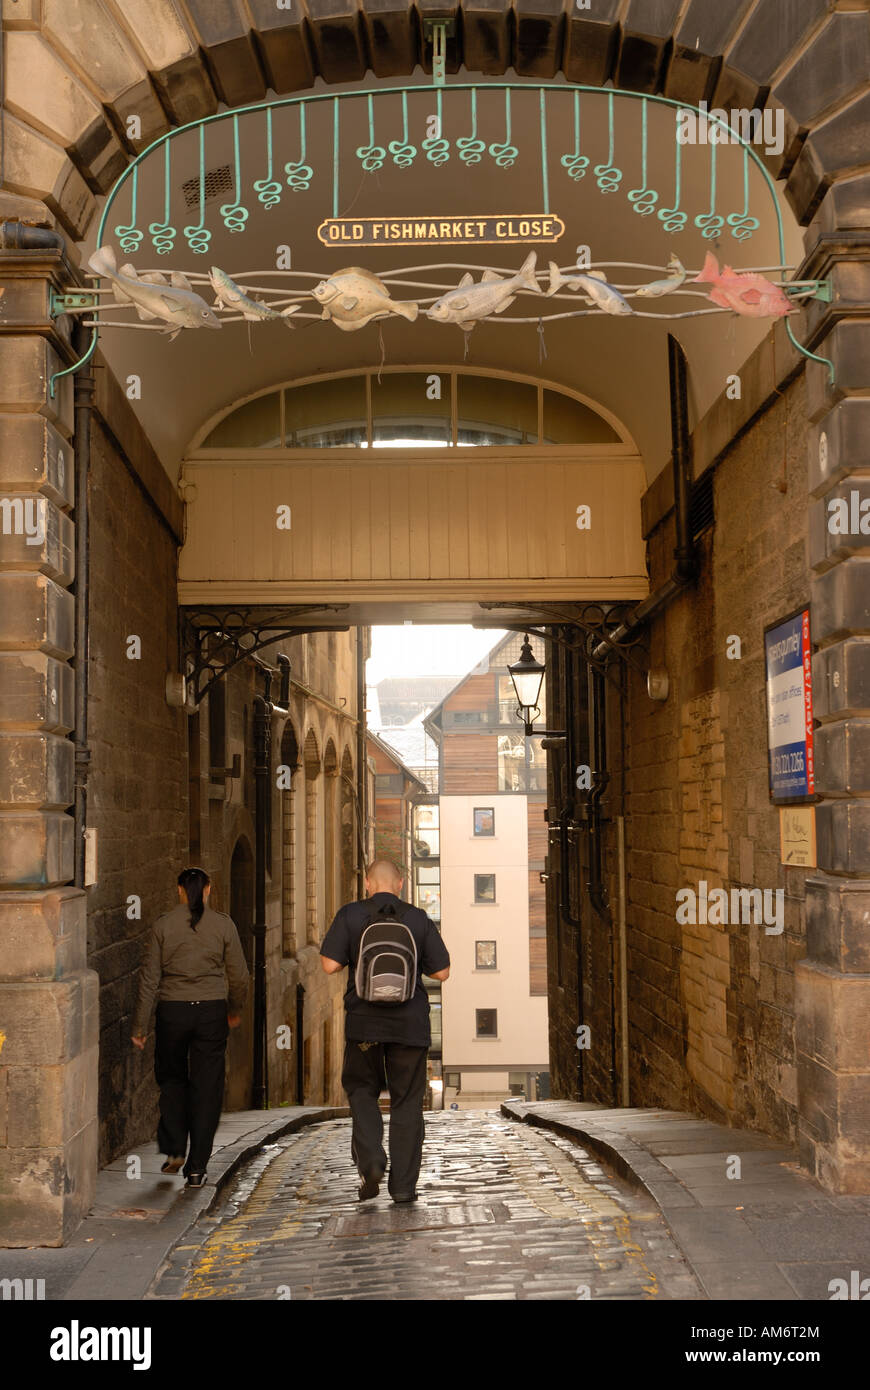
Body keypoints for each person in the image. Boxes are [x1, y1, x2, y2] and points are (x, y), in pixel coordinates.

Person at [320, 859, 450, 1205]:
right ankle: (404, 1187)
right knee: (407, 1102)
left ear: (366, 883)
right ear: (402, 883)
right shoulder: (417, 918)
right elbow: (443, 973)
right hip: (409, 1026)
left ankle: (372, 1160)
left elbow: (329, 964)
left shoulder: (350, 915)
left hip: (364, 1022)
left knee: (362, 1091)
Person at [131, 867, 249, 1188]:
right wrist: (234, 1009)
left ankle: (173, 1150)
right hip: (211, 1012)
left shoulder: (163, 926)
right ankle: (197, 1167)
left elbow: (149, 981)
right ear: (208, 890)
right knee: (207, 1088)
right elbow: (239, 975)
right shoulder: (223, 925)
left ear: (179, 891)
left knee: (171, 1080)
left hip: (173, 1013)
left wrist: (140, 1026)